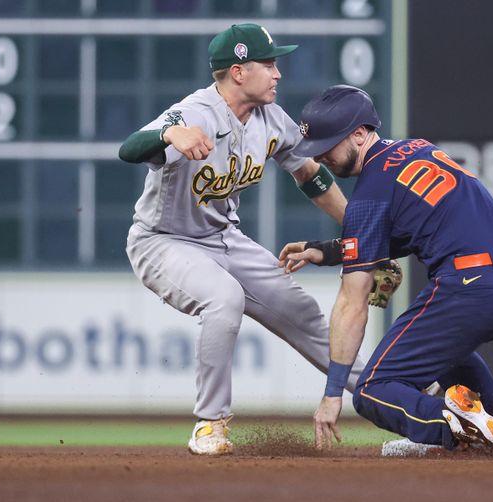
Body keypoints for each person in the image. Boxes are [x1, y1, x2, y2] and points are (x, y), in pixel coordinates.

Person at [118, 24, 366, 456]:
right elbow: (129, 148)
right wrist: (166, 134)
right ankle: (210, 425)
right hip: (162, 241)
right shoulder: (194, 112)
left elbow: (309, 173)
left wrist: (360, 228)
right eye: (268, 64)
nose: (277, 73)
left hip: (222, 238)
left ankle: (389, 396)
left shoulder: (271, 118)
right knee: (223, 299)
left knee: (303, 312)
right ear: (237, 72)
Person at [279, 85, 493, 459]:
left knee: (372, 389)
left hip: (475, 288)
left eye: (329, 143)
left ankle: (454, 426)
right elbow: (414, 226)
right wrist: (331, 251)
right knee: (445, 353)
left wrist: (332, 393)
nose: (321, 155)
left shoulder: (368, 195)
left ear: (360, 133)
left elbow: (351, 303)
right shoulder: (417, 148)